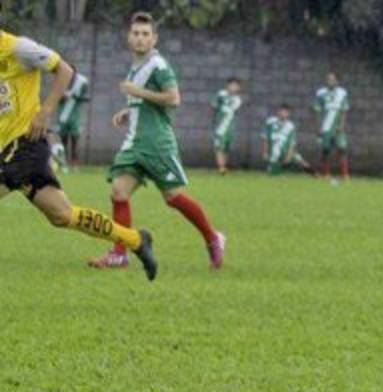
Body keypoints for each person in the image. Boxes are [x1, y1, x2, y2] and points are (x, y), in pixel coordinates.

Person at [0, 21, 156, 280]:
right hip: (9, 148)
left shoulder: (18, 48)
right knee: (62, 215)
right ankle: (137, 240)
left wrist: (46, 111)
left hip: (25, 144)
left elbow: (64, 70)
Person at [89, 12, 226, 271]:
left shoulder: (158, 65)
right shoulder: (137, 66)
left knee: (173, 197)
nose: (140, 38)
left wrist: (136, 92)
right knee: (118, 192)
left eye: (145, 34)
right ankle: (120, 253)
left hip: (156, 144)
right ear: (129, 37)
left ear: (154, 39)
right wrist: (129, 110)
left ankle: (212, 237)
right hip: (134, 143)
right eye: (136, 33)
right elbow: (149, 102)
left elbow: (173, 98)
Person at [313, 71, 349, 182]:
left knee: (342, 149)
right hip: (325, 126)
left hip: (337, 127)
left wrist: (342, 125)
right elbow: (317, 111)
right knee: (326, 151)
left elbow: (344, 111)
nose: (330, 81)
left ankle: (345, 175)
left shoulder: (342, 93)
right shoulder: (320, 93)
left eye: (332, 79)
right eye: (328, 79)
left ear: (337, 81)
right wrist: (318, 127)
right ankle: (326, 174)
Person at [52, 65, 89, 171]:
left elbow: (86, 97)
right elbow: (53, 97)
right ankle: (64, 164)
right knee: (63, 142)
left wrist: (73, 96)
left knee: (74, 141)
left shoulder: (82, 82)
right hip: (62, 116)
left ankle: (75, 164)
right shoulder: (60, 81)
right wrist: (61, 97)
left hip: (74, 117)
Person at [262, 104, 313, 175]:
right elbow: (265, 138)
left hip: (286, 151)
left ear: (289, 114)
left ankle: (314, 174)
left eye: (286, 112)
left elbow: (292, 143)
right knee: (272, 173)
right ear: (278, 112)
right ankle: (276, 170)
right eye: (282, 111)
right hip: (274, 152)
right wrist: (265, 152)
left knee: (300, 160)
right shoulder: (270, 122)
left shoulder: (290, 126)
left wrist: (288, 155)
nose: (283, 114)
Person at [211, 77, 242, 175]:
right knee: (219, 147)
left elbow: (235, 112)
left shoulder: (237, 100)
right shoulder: (221, 95)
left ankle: (224, 166)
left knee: (226, 148)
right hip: (220, 127)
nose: (233, 87)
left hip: (230, 127)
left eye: (236, 86)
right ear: (228, 85)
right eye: (232, 85)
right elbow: (214, 106)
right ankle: (221, 168)